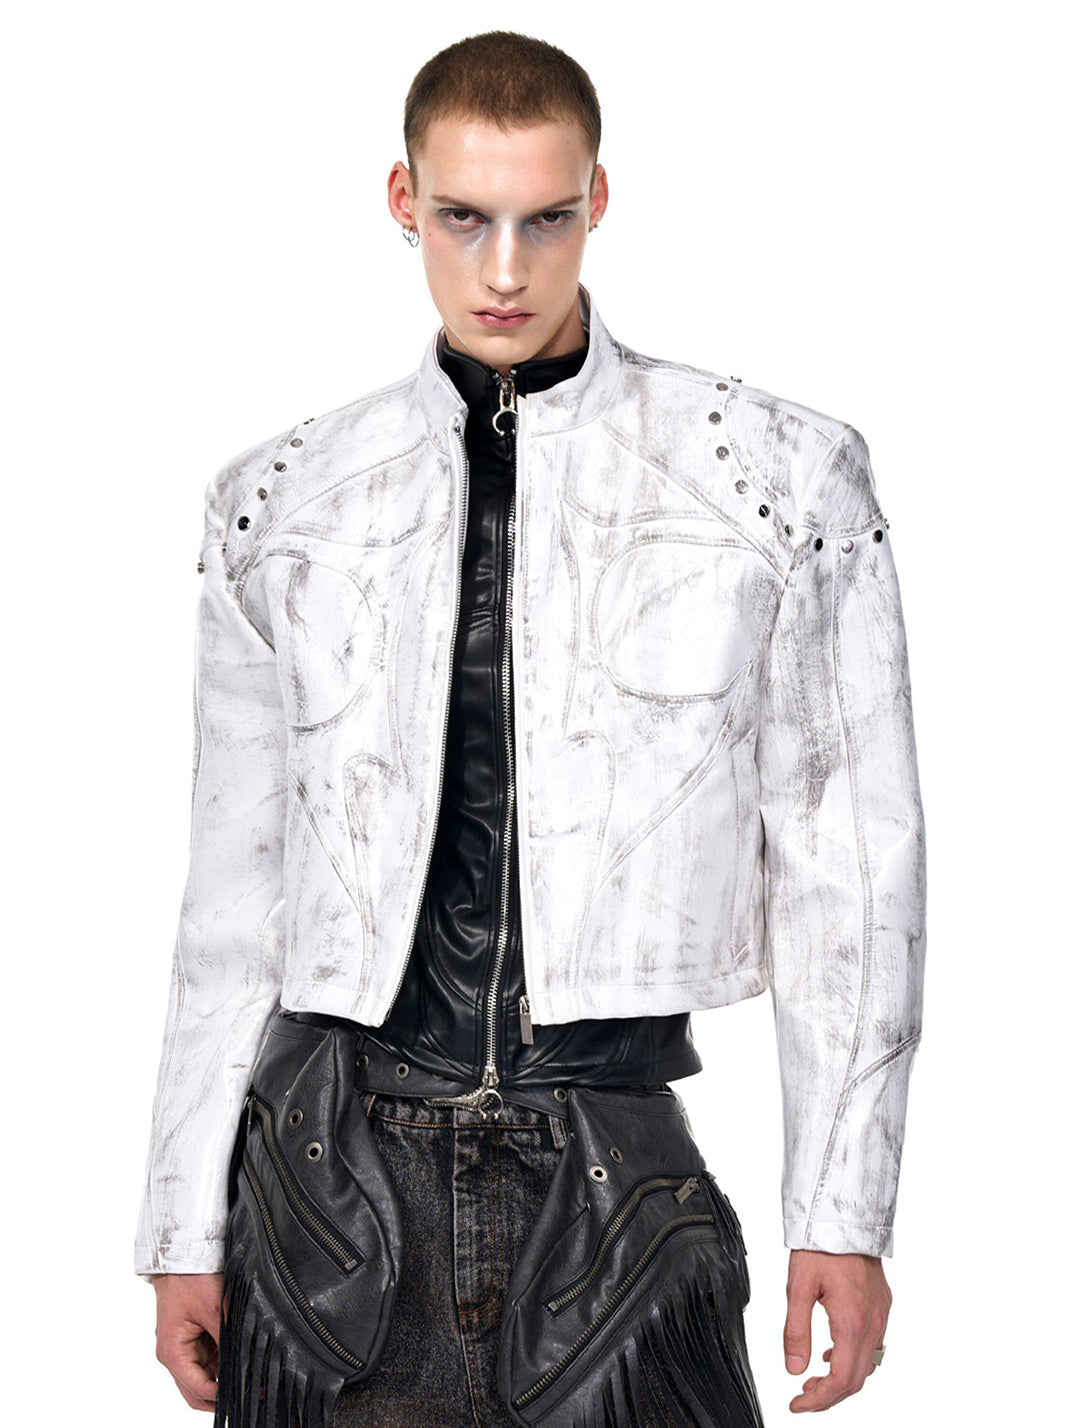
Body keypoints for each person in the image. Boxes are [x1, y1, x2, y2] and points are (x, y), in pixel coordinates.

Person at [134, 29, 926, 1427]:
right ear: (402, 201)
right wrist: (181, 1225)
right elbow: (234, 896)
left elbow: (852, 872)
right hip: (324, 1198)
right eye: (463, 218)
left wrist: (843, 1213)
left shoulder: (776, 483)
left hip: (618, 1190)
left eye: (546, 220)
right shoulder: (285, 502)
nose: (504, 269)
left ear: (598, 203)